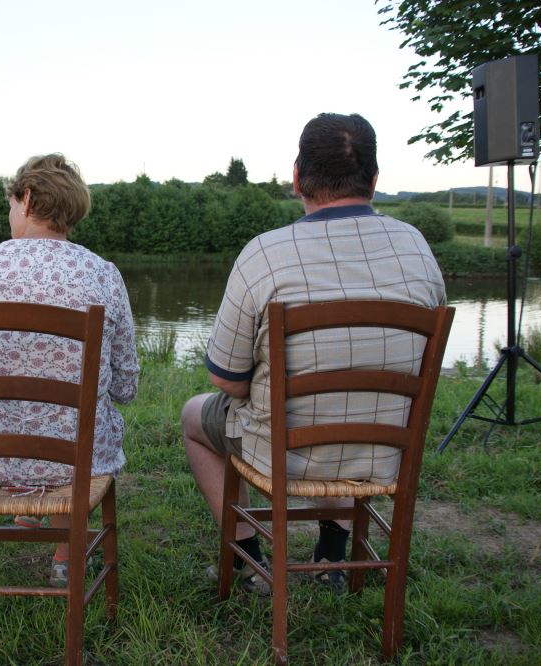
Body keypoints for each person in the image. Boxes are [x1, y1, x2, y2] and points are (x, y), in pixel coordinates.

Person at [182, 113, 447, 595]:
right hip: (384, 451)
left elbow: (227, 379)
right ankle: (330, 555)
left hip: (287, 454)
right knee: (355, 401)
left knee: (195, 418)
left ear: (297, 177)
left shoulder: (265, 254)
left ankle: (251, 562)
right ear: (374, 180)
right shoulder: (418, 248)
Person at [0, 154, 139, 587]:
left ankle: (26, 520)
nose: (10, 213)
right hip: (75, 464)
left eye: (10, 203)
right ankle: (65, 552)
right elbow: (125, 387)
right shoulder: (102, 274)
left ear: (26, 198)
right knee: (85, 425)